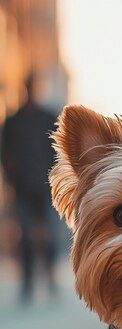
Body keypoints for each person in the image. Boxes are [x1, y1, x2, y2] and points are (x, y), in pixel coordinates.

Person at [1, 74, 58, 302]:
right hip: (23, 188)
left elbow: (58, 152)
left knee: (48, 235)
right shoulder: (14, 121)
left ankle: (51, 278)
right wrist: (11, 180)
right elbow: (5, 155)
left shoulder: (48, 118)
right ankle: (28, 283)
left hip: (47, 189)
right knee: (24, 237)